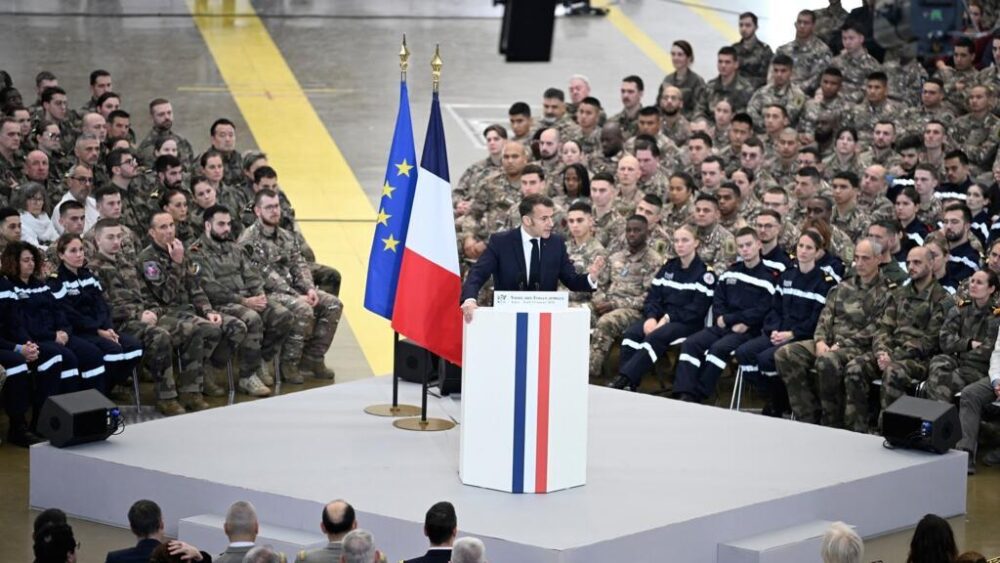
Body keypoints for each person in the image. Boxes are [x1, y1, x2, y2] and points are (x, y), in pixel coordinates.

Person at [776, 238, 891, 427]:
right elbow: (825, 317)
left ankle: (832, 421)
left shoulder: (887, 293)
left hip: (859, 348)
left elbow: (877, 329)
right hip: (830, 343)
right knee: (786, 353)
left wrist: (840, 345)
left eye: (865, 258)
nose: (859, 263)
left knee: (827, 361)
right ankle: (808, 416)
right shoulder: (843, 287)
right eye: (856, 258)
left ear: (878, 259)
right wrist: (820, 341)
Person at [842, 246, 952, 433]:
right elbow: (884, 328)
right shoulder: (898, 294)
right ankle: (856, 429)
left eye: (917, 262)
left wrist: (893, 357)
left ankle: (890, 432)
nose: (911, 267)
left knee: (893, 372)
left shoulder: (942, 299)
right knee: (854, 367)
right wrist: (882, 352)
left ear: (931, 264)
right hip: (890, 354)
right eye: (908, 262)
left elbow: (930, 341)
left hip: (919, 359)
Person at [189, 205, 293, 394]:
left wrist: (259, 294)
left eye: (228, 224)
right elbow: (209, 287)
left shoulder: (235, 248)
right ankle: (247, 376)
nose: (227, 229)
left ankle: (261, 360)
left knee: (282, 315)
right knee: (252, 318)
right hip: (218, 304)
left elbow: (252, 275)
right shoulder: (197, 252)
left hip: (246, 299)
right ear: (207, 225)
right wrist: (244, 301)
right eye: (221, 224)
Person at [240, 189, 340, 382]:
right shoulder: (249, 240)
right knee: (303, 309)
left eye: (276, 206)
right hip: (266, 294)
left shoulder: (285, 236)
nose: (275, 211)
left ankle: (313, 358)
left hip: (292, 291)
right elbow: (264, 275)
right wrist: (296, 295)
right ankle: (289, 364)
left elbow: (299, 264)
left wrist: (309, 288)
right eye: (269, 207)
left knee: (333, 304)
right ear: (258, 211)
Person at [735, 231, 836, 416]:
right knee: (744, 352)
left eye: (809, 248)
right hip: (779, 332)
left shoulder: (824, 282)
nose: (803, 251)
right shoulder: (787, 276)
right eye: (800, 246)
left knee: (767, 359)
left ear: (817, 252)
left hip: (802, 336)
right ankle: (773, 397)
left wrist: (791, 334)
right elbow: (775, 309)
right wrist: (774, 330)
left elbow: (817, 319)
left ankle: (777, 404)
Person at [460, 194, 605, 322]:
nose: (551, 223)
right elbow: (478, 273)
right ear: (527, 220)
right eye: (544, 218)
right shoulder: (501, 242)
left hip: (544, 322)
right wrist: (469, 299)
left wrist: (590, 277)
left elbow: (571, 280)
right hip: (507, 318)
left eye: (551, 217)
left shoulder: (556, 243)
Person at [672, 227, 777, 403]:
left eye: (748, 245)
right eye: (740, 246)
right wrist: (720, 316)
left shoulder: (768, 278)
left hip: (747, 330)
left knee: (718, 349)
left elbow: (762, 309)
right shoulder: (730, 272)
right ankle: (684, 392)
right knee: (691, 343)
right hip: (723, 325)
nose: (745, 249)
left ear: (759, 244)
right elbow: (718, 299)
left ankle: (700, 395)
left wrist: (733, 320)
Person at [610, 225, 714, 391]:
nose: (679, 245)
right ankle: (630, 385)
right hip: (660, 318)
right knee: (632, 334)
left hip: (687, 323)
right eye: (676, 241)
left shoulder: (705, 273)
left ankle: (625, 379)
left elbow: (696, 310)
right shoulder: (668, 267)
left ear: (696, 243)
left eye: (685, 240)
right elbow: (653, 296)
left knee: (656, 336)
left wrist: (666, 318)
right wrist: (651, 317)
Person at [1, 240, 106, 393]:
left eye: (32, 259)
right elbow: (21, 322)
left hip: (58, 336)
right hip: (37, 338)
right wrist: (52, 336)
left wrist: (64, 331)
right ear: (13, 262)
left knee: (92, 353)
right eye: (26, 260)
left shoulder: (40, 285)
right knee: (64, 357)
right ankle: (51, 405)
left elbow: (58, 311)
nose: (31, 263)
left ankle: (91, 402)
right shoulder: (10, 288)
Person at [52, 233, 143, 396]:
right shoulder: (56, 281)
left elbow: (102, 306)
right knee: (113, 351)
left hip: (100, 329)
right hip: (79, 332)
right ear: (61, 255)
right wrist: (98, 331)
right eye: (73, 251)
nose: (79, 254)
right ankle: (96, 395)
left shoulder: (89, 276)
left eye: (81, 249)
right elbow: (70, 315)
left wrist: (108, 328)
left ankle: (107, 388)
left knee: (134, 348)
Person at [924, 270, 1000, 403]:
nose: (973, 285)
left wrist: (959, 348)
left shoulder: (996, 316)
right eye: (972, 281)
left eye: (979, 283)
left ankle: (936, 414)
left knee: (942, 382)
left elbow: (989, 351)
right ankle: (937, 413)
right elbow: (945, 341)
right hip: (957, 360)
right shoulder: (961, 309)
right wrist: (969, 344)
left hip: (979, 368)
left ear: (991, 289)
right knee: (937, 362)